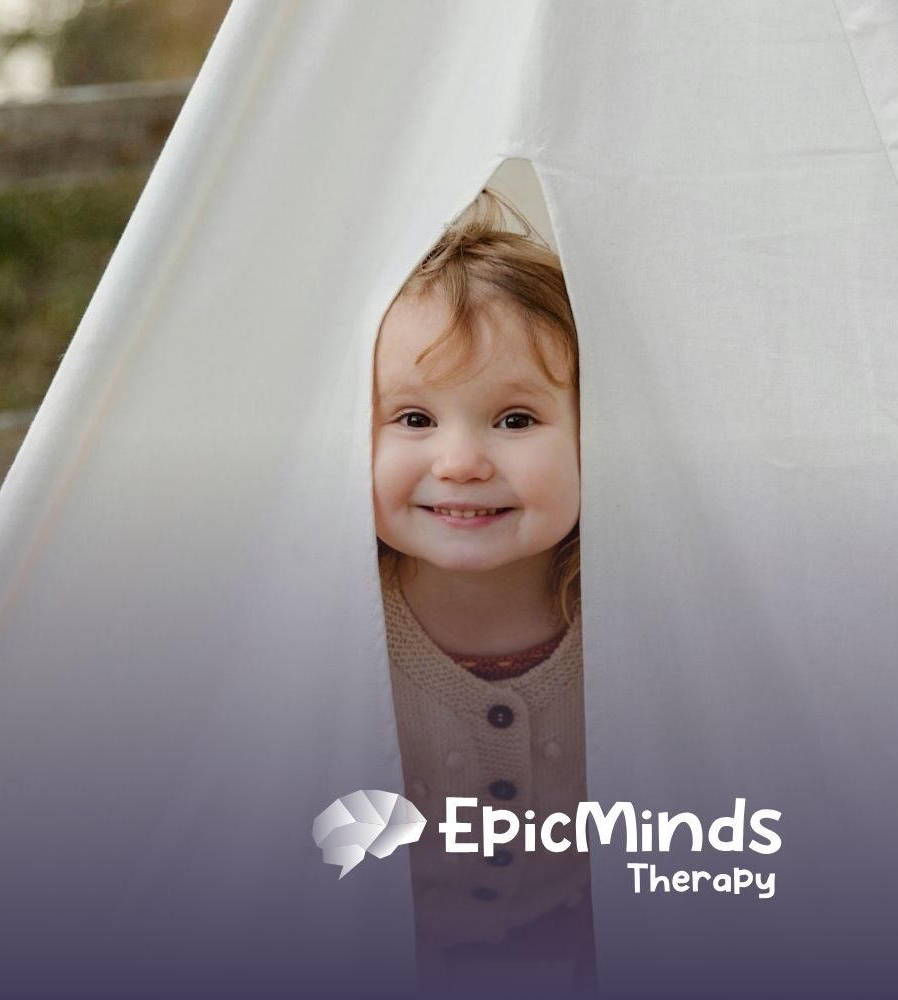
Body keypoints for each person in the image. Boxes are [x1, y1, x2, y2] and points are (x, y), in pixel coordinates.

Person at [371, 189, 596, 989]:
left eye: (513, 420)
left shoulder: (634, 614)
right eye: (413, 419)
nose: (461, 461)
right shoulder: (330, 620)